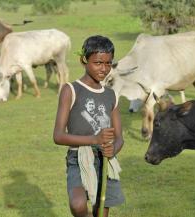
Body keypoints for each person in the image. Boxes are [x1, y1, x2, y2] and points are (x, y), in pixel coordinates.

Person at [53, 35, 125, 217]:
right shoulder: (70, 90)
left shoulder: (111, 95)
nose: (104, 68)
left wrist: (113, 150)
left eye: (108, 63)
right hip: (78, 157)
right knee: (77, 205)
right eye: (98, 63)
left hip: (104, 160)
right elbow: (58, 136)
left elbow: (119, 138)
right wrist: (94, 139)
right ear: (84, 60)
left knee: (100, 211)